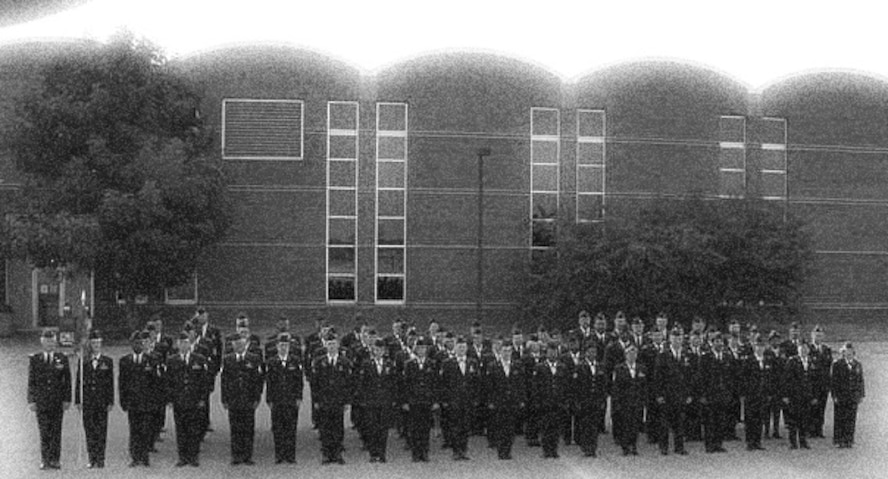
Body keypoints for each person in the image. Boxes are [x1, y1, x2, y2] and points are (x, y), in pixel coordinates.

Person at [28, 329, 72, 470]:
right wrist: (31, 399)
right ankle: (45, 459)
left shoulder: (62, 358)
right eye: (47, 341)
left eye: (52, 341)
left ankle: (55, 459)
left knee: (56, 431)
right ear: (42, 342)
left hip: (57, 401)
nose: (50, 344)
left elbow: (67, 381)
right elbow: (31, 381)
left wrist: (67, 399)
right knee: (44, 431)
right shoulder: (35, 359)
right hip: (41, 401)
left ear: (55, 342)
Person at [119, 331, 163, 467]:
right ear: (131, 344)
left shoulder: (151, 360)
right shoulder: (125, 361)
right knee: (134, 430)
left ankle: (145, 456)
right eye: (135, 343)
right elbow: (122, 383)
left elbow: (156, 383)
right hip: (132, 402)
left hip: (147, 402)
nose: (138, 345)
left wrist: (156, 401)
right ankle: (135, 456)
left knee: (145, 430)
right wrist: (123, 401)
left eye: (140, 343)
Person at [166, 331, 210, 467]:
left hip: (194, 400)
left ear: (189, 343)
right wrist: (170, 399)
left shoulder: (199, 359)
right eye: (181, 343)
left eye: (186, 342)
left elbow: (204, 381)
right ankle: (182, 457)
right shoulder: (172, 360)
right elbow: (168, 381)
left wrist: (203, 398)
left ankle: (193, 456)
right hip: (179, 400)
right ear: (177, 344)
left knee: (194, 429)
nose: (184, 345)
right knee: (181, 429)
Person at [221, 334, 264, 465]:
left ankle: (247, 456)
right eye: (235, 345)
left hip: (248, 399)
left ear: (245, 344)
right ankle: (236, 455)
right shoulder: (227, 359)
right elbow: (224, 381)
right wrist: (224, 399)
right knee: (235, 428)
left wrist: (257, 397)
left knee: (248, 428)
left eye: (239, 344)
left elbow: (258, 380)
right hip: (233, 399)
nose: (237, 347)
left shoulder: (254, 359)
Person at [74, 330, 115, 468]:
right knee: (89, 430)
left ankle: (101, 458)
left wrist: (110, 401)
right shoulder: (83, 362)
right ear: (90, 345)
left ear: (101, 344)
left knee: (101, 430)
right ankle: (92, 458)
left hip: (102, 401)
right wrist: (78, 400)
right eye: (93, 343)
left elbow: (110, 383)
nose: (96, 345)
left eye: (98, 343)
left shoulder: (107, 361)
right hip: (88, 401)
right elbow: (78, 382)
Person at [311, 334, 352, 465]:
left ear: (338, 345)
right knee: (325, 428)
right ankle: (326, 454)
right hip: (324, 400)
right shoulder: (319, 362)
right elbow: (315, 383)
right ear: (325, 346)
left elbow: (348, 383)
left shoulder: (344, 362)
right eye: (329, 344)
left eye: (334, 344)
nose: (332, 346)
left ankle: (337, 453)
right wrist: (316, 400)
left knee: (338, 428)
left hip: (338, 400)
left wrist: (346, 401)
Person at [355, 339, 398, 463]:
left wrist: (393, 399)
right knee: (372, 427)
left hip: (385, 401)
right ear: (373, 351)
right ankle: (373, 453)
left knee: (383, 428)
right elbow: (362, 384)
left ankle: (382, 453)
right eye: (376, 350)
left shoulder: (389, 364)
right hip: (371, 401)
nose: (378, 352)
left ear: (384, 351)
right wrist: (363, 399)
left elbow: (393, 383)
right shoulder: (367, 364)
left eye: (380, 350)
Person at [265, 332, 303, 464]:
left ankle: (290, 455)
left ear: (289, 347)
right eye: (281, 345)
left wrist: (299, 397)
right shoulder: (271, 362)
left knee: (291, 428)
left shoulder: (295, 361)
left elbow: (299, 382)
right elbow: (269, 382)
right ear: (277, 346)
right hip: (277, 400)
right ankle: (279, 455)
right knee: (278, 428)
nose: (283, 348)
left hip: (291, 400)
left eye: (286, 345)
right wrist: (269, 399)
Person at [401, 337, 440, 462]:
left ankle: (425, 452)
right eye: (419, 348)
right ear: (415, 350)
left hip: (427, 401)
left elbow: (435, 384)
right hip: (414, 401)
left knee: (425, 427)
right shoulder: (409, 364)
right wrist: (405, 401)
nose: (421, 350)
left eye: (423, 348)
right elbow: (405, 384)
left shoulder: (432, 364)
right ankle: (416, 453)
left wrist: (435, 400)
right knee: (414, 428)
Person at [654, 328, 691, 455]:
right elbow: (658, 376)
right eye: (674, 338)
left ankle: (679, 447)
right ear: (670, 339)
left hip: (680, 394)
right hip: (667, 394)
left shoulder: (686, 354)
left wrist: (689, 394)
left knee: (680, 422)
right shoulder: (663, 355)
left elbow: (689, 377)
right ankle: (663, 447)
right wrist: (658, 394)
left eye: (679, 338)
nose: (677, 341)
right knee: (664, 423)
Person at [486, 340, 525, 459]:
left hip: (512, 402)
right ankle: (501, 451)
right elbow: (489, 386)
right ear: (500, 351)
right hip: (499, 402)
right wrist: (490, 401)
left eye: (508, 351)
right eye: (504, 351)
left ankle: (508, 450)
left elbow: (521, 384)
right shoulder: (493, 366)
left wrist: (521, 399)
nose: (506, 353)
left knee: (510, 428)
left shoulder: (517, 365)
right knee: (500, 427)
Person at [534, 341, 569, 459]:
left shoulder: (562, 367)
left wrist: (565, 401)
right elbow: (536, 386)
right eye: (550, 352)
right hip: (545, 402)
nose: (552, 354)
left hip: (558, 403)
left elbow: (566, 385)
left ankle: (554, 450)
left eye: (554, 352)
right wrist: (537, 402)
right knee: (545, 427)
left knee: (556, 427)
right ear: (546, 353)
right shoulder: (540, 367)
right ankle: (546, 450)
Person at [611, 343, 647, 456]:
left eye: (634, 354)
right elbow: (616, 387)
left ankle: (634, 445)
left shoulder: (642, 368)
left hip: (637, 401)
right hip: (624, 401)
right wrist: (617, 402)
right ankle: (625, 447)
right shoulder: (619, 368)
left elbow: (644, 386)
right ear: (625, 355)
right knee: (625, 424)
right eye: (629, 354)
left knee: (635, 424)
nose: (632, 356)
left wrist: (644, 400)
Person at [573, 343, 607, 457]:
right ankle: (585, 446)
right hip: (584, 400)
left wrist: (602, 400)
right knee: (585, 424)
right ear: (586, 353)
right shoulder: (580, 366)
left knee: (594, 425)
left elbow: (603, 385)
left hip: (596, 400)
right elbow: (576, 386)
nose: (592, 354)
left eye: (594, 352)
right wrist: (577, 401)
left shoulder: (600, 366)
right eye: (590, 352)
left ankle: (593, 447)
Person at [781, 342, 817, 449]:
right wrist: (785, 395)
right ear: (798, 350)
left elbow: (815, 380)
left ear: (808, 350)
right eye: (801, 349)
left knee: (804, 420)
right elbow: (785, 379)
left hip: (807, 395)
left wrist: (814, 395)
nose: (803, 351)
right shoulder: (792, 361)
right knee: (793, 420)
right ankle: (793, 442)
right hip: (794, 395)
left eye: (805, 349)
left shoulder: (811, 362)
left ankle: (803, 441)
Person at [699, 334, 731, 453]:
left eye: (721, 342)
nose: (719, 344)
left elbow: (729, 377)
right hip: (710, 394)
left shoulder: (727, 357)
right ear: (712, 343)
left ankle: (719, 443)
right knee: (710, 421)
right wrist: (702, 395)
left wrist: (728, 393)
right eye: (717, 341)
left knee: (721, 420)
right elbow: (701, 377)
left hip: (722, 394)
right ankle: (709, 445)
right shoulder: (705, 358)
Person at [830, 342, 864, 448]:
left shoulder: (857, 365)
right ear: (843, 353)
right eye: (846, 352)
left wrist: (861, 394)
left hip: (853, 396)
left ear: (854, 353)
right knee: (840, 418)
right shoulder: (837, 364)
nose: (849, 354)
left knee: (851, 418)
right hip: (841, 396)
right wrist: (834, 395)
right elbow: (833, 382)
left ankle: (849, 439)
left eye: (851, 352)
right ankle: (838, 440)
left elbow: (860, 381)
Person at [743, 337, 773, 451]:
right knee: (750, 418)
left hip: (762, 395)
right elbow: (744, 377)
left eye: (762, 346)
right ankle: (750, 442)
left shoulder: (766, 360)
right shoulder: (749, 360)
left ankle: (757, 441)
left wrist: (769, 392)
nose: (760, 348)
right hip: (751, 394)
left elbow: (769, 378)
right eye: (757, 346)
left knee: (760, 418)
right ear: (754, 347)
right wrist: (746, 392)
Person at [808, 325, 832, 437]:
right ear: (812, 336)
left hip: (824, 384)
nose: (818, 337)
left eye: (820, 335)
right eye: (816, 335)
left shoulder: (827, 350)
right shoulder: (808, 349)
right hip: (812, 384)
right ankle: (810, 430)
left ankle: (819, 429)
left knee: (822, 407)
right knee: (812, 407)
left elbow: (828, 367)